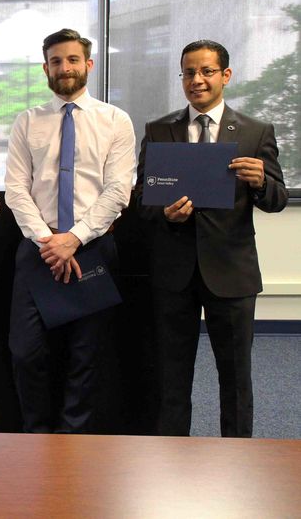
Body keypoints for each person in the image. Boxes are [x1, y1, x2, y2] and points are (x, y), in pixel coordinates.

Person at [134, 40, 287, 438]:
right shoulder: (159, 130)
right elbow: (142, 202)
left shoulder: (255, 132)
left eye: (206, 71)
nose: (196, 80)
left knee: (236, 380)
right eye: (188, 72)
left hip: (231, 273)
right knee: (172, 379)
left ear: (225, 76)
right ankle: (170, 462)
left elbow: (277, 200)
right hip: (174, 274)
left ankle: (237, 463)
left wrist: (260, 182)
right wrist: (164, 212)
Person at [4, 29, 135, 433]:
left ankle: (72, 440)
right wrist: (50, 241)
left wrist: (74, 238)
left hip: (92, 247)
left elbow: (118, 189)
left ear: (88, 65)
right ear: (46, 68)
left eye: (73, 60)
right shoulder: (27, 122)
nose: (65, 68)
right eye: (56, 61)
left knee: (86, 355)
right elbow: (15, 188)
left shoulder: (115, 121)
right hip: (38, 249)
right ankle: (37, 436)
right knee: (26, 353)